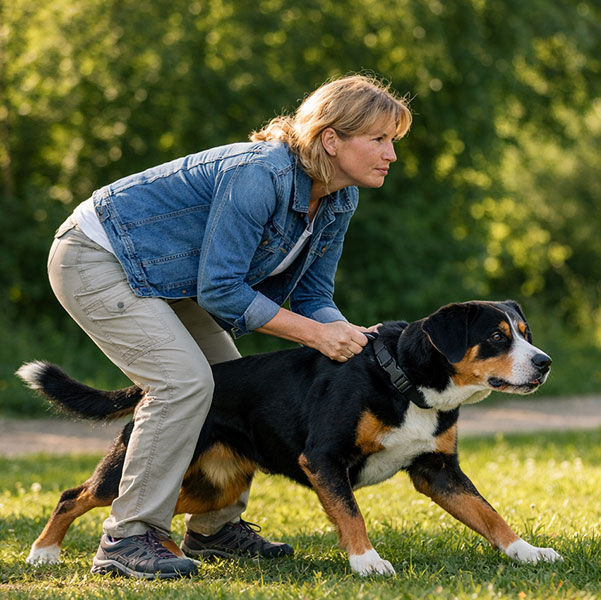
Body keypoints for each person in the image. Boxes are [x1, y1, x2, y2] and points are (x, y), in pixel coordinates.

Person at [46, 74, 412, 579]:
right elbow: (221, 290)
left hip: (166, 278)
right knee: (184, 383)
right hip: (96, 256)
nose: (391, 154)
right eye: (379, 139)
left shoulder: (338, 198)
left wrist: (354, 338)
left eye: (393, 140)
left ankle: (214, 529)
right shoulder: (260, 174)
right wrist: (316, 335)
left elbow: (312, 298)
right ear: (331, 139)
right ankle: (127, 539)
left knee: (233, 388)